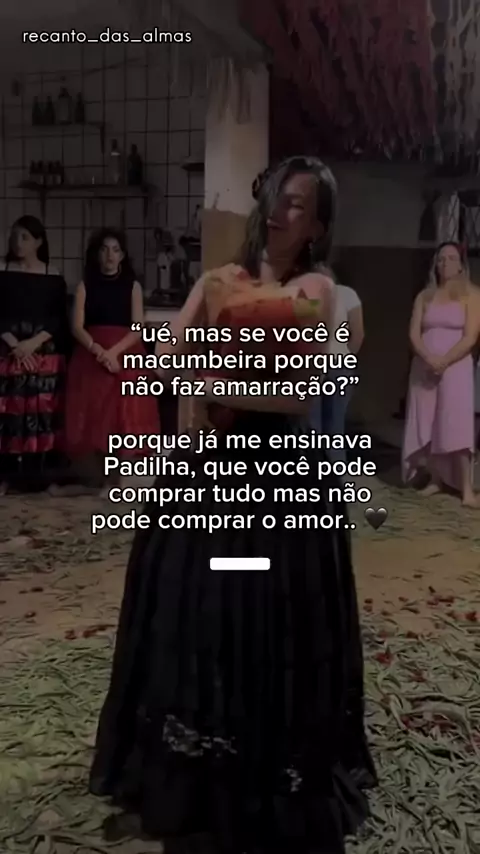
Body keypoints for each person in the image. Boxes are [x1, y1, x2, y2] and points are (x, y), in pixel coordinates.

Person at [89, 156, 376, 854]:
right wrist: (175, 370)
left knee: (269, 610)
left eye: (298, 204)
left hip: (280, 473)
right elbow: (169, 354)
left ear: (317, 226)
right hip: (211, 471)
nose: (280, 210)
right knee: (200, 605)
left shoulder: (318, 290)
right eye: (277, 196)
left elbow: (302, 392)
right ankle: (197, 766)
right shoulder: (216, 281)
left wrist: (214, 386)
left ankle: (263, 762)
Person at [63, 228, 159, 494]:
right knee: (94, 415)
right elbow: (76, 327)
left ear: (123, 256)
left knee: (124, 416)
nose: (110, 255)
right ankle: (97, 480)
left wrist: (114, 353)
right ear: (97, 254)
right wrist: (98, 351)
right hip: (90, 355)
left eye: (115, 250)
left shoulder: (133, 286)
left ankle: (118, 480)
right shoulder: (85, 286)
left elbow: (137, 327)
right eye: (105, 249)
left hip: (126, 352)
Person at [402, 241, 480, 506]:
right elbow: (414, 333)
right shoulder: (425, 296)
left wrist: (444, 361)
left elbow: (470, 337)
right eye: (441, 259)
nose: (445, 263)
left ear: (461, 265)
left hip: (456, 366)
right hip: (425, 365)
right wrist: (428, 358)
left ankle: (466, 489)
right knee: (428, 420)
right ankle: (436, 479)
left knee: (456, 422)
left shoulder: (472, 294)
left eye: (451, 258)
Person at [0, 215, 69, 494]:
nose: (18, 242)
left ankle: (38, 477)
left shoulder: (53, 275)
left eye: (25, 237)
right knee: (7, 415)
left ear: (39, 242)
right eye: (15, 236)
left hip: (42, 353)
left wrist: (32, 344)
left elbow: (59, 319)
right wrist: (14, 344)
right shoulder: (2, 270)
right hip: (7, 350)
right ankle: (4, 476)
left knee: (42, 415)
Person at [311, 267, 364, 462]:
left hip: (339, 366)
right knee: (311, 425)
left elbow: (357, 333)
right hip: (311, 368)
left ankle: (336, 473)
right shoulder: (307, 294)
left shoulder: (346, 294)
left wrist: (345, 358)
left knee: (335, 424)